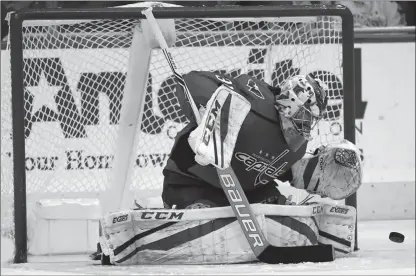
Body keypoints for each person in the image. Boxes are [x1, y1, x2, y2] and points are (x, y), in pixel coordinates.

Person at [97, 71, 362, 265]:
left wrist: (314, 173)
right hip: (190, 180)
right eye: (304, 115)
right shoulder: (253, 99)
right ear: (289, 102)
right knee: (202, 215)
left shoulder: (299, 148)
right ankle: (165, 215)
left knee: (276, 209)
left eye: (311, 119)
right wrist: (206, 118)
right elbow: (190, 81)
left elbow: (284, 172)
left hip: (242, 194)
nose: (306, 125)